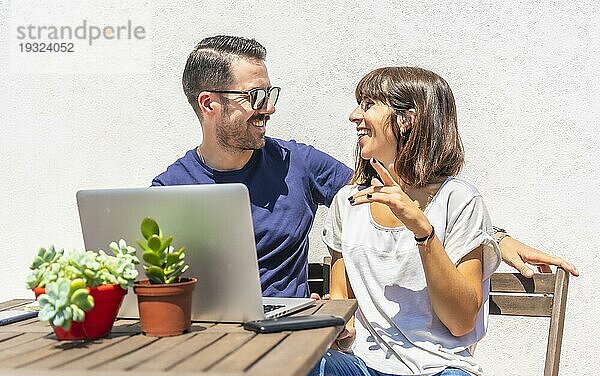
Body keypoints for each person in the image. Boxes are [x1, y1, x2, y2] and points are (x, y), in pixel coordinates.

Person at [152, 35, 578, 298]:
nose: (271, 108)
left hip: (283, 335)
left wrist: (494, 238)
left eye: (271, 93)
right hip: (203, 336)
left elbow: (400, 194)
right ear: (209, 104)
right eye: (256, 98)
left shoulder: (295, 163)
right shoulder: (169, 188)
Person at [294, 67, 498, 376]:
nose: (354, 116)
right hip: (360, 370)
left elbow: (461, 322)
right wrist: (332, 324)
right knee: (293, 368)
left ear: (408, 119)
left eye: (368, 103)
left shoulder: (458, 200)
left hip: (439, 373)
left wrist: (422, 230)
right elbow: (341, 300)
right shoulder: (348, 201)